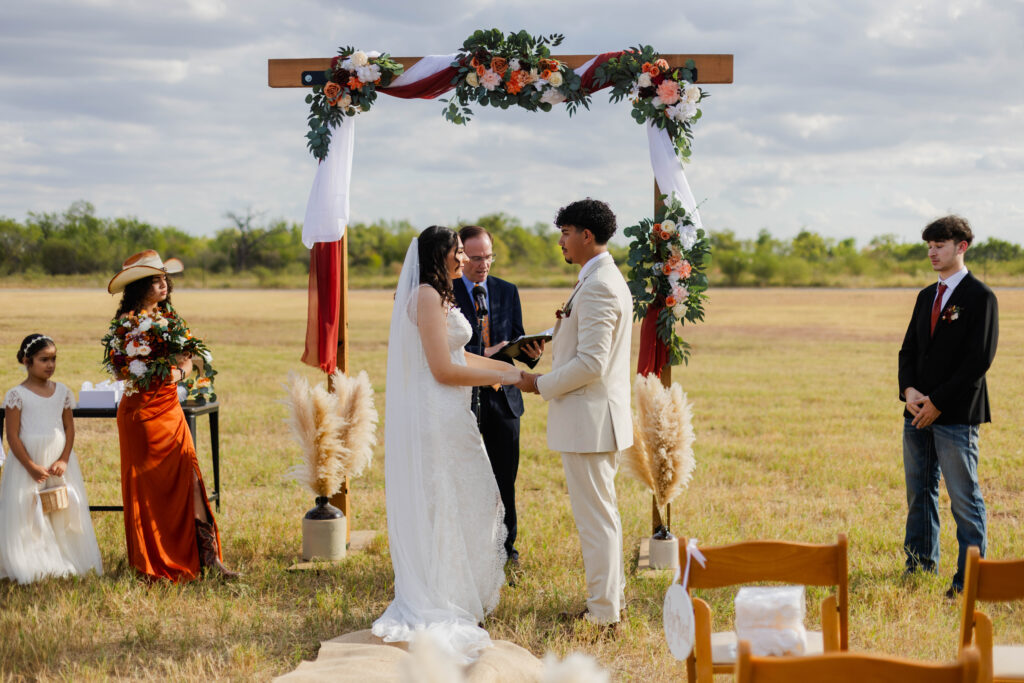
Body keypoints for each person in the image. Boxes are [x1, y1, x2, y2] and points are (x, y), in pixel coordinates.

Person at [372, 226, 523, 664]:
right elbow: (442, 369)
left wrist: (508, 373)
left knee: (467, 496)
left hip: (452, 411)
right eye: (458, 251)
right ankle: (440, 595)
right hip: (436, 412)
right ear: (442, 254)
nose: (464, 258)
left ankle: (459, 590)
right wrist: (503, 375)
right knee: (447, 498)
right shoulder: (424, 295)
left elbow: (459, 355)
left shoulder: (439, 295)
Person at [516, 199, 632, 626]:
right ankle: (610, 604)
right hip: (595, 420)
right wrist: (553, 337)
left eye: (565, 233)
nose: (561, 242)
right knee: (603, 518)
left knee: (596, 522)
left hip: (591, 422)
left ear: (586, 235)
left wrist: (539, 383)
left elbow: (592, 363)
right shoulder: (600, 277)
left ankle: (603, 615)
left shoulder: (599, 284)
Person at [104, 250, 237, 582]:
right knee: (149, 489)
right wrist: (147, 368)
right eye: (155, 280)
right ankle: (154, 561)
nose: (163, 284)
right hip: (141, 414)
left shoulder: (171, 320)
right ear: (140, 286)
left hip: (170, 409)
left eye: (165, 279)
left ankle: (209, 560)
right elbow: (120, 371)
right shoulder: (126, 325)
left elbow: (189, 361)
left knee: (190, 477)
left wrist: (177, 373)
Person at [898, 215, 998, 599]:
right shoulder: (927, 296)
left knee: (964, 498)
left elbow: (978, 360)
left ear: (962, 246)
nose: (932, 252)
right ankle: (919, 566)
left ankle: (969, 580)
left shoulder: (980, 297)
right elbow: (908, 350)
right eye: (929, 246)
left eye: (939, 245)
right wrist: (909, 391)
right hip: (916, 412)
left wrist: (938, 402)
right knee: (919, 493)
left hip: (955, 414)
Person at [453, 225, 544, 567]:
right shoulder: (445, 292)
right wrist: (488, 352)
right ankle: (467, 551)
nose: (484, 264)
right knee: (464, 479)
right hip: (462, 397)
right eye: (476, 258)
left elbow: (516, 340)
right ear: (461, 257)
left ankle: (507, 551)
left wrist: (532, 353)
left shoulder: (507, 290)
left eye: (488, 257)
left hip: (505, 400)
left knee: (505, 479)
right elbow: (449, 351)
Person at [1, 334, 104, 583]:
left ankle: (62, 553)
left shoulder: (62, 392)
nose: (50, 365)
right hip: (28, 463)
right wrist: (31, 466)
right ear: (27, 361)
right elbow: (12, 436)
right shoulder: (17, 395)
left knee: (59, 509)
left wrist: (64, 459)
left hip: (57, 463)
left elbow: (69, 429)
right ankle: (31, 557)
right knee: (28, 509)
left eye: (54, 359)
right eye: (44, 359)